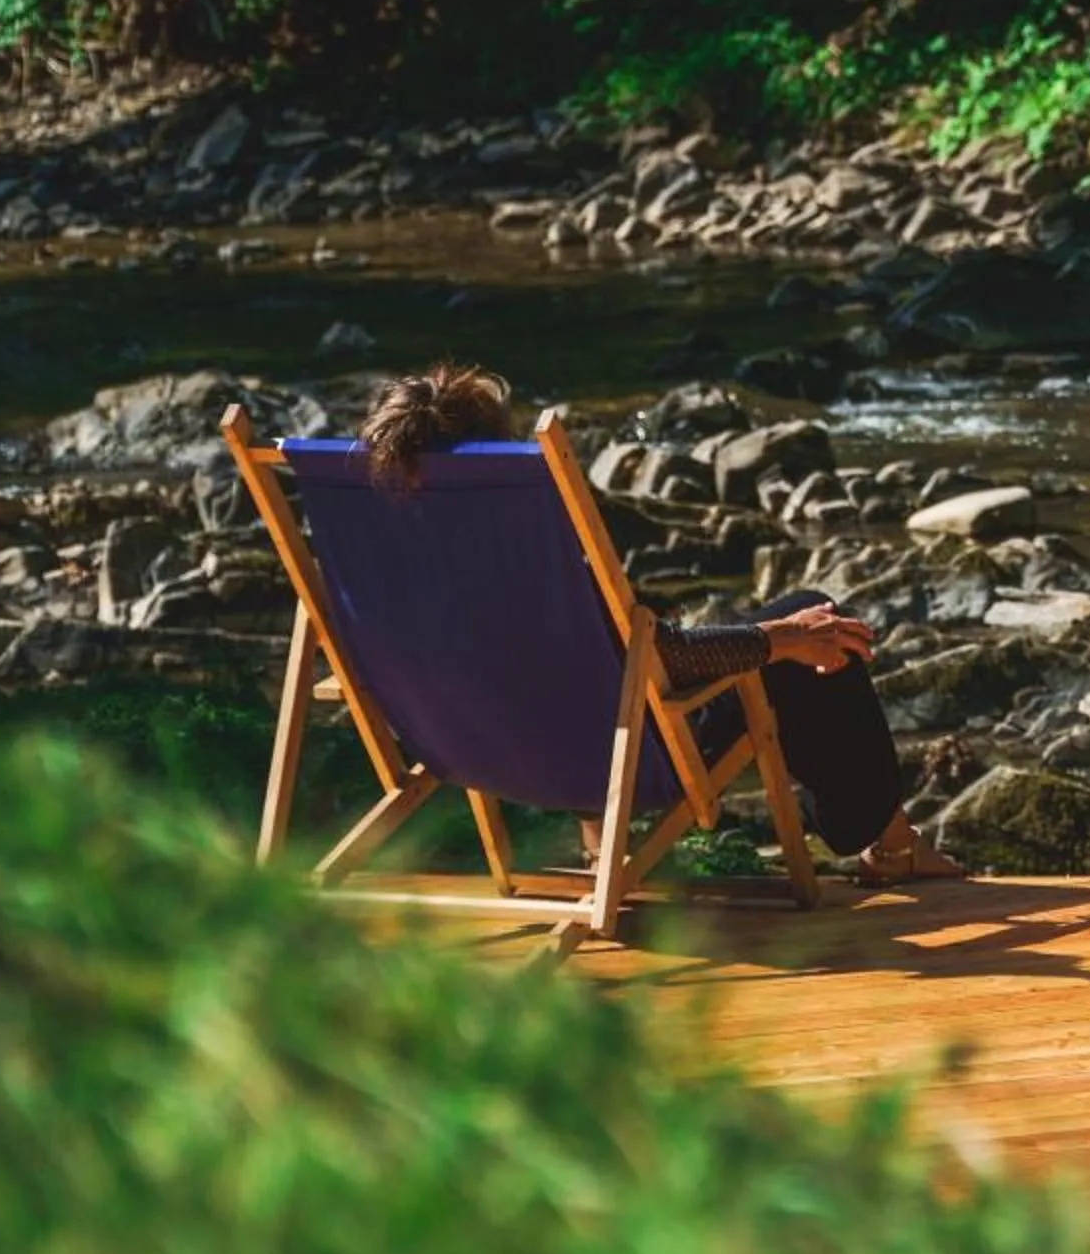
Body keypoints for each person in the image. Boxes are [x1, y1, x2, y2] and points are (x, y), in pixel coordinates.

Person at [352, 366, 958, 883]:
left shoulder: (378, 561)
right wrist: (786, 639)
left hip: (459, 746)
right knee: (817, 616)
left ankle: (599, 852)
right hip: (614, 758)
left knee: (753, 623)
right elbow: (654, 657)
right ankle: (894, 848)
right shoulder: (522, 552)